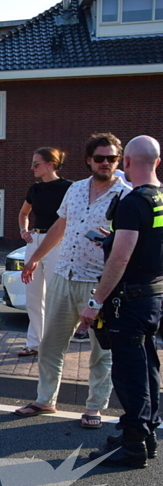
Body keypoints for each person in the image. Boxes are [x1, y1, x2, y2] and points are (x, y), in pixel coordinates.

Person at [15, 133, 131, 427]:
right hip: (63, 275)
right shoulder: (76, 190)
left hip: (99, 283)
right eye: (100, 158)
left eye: (112, 159)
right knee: (51, 345)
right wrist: (36, 257)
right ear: (89, 160)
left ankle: (94, 407)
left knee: (100, 351)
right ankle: (45, 400)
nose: (106, 163)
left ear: (119, 161)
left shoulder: (126, 195)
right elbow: (60, 226)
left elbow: (131, 244)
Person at [80, 136, 163, 468]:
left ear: (126, 162)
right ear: (157, 162)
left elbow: (120, 258)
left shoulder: (132, 202)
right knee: (148, 367)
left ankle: (132, 445)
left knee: (130, 375)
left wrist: (95, 302)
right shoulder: (159, 199)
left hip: (129, 301)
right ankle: (147, 434)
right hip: (154, 295)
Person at [16, 148, 72, 356]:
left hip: (58, 241)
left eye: (36, 164)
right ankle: (34, 343)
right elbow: (23, 213)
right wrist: (24, 230)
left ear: (51, 164)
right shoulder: (35, 189)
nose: (32, 168)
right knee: (33, 295)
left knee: (55, 296)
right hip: (35, 240)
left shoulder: (69, 188)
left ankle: (53, 344)